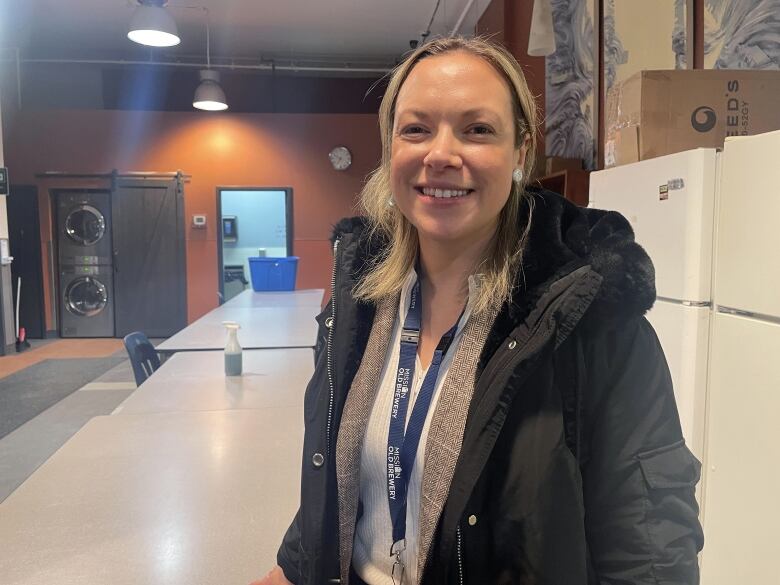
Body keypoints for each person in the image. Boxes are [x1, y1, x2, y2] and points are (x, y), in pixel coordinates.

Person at [254, 36, 703, 585]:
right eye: (416, 128)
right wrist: (293, 568)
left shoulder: (589, 317)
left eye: (478, 129)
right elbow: (340, 477)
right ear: (390, 146)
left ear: (520, 151)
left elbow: (651, 547)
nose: (440, 154)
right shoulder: (359, 301)